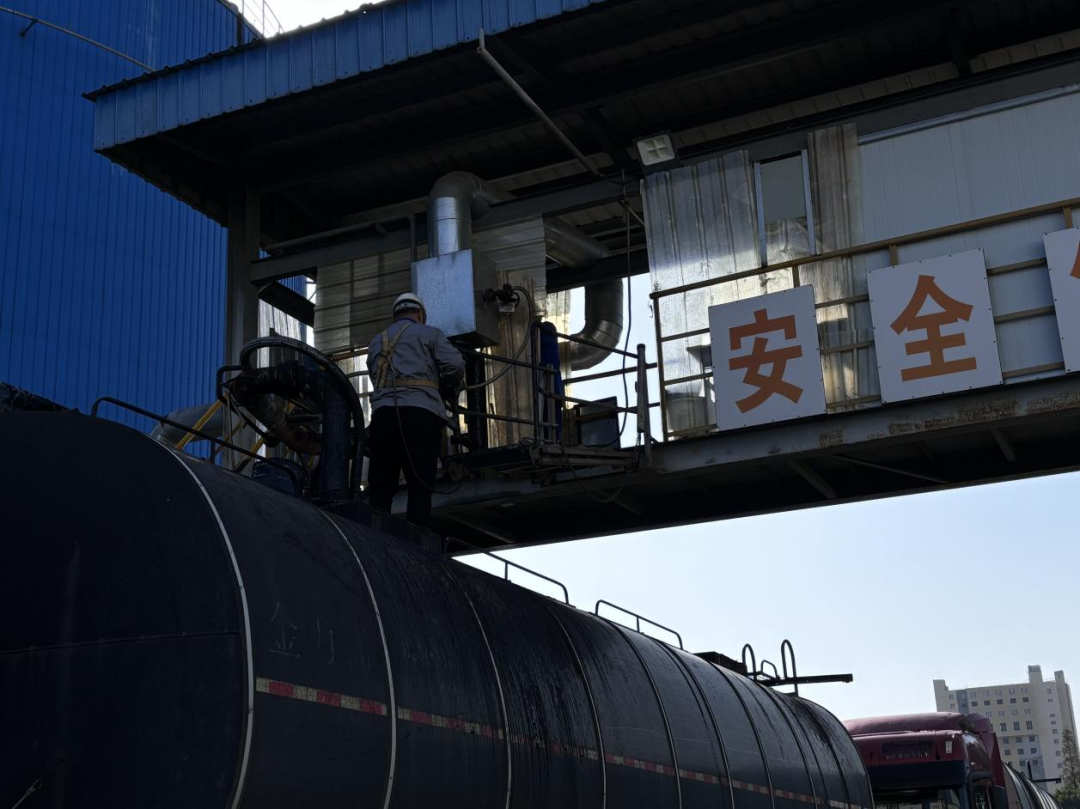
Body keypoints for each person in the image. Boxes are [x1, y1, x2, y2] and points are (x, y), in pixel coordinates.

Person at [365, 292, 464, 526]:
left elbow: (375, 376)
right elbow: (455, 364)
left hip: (383, 416)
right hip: (421, 414)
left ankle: (375, 534)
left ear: (395, 315)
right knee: (420, 484)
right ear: (420, 314)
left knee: (381, 485)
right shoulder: (430, 334)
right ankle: (417, 536)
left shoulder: (376, 341)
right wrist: (446, 386)